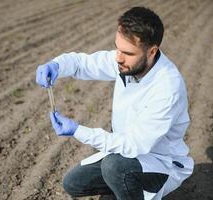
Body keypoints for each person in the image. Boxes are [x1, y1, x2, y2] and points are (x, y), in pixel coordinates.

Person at [36, 6, 194, 200]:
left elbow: (134, 145)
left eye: (127, 52)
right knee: (73, 183)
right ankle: (124, 189)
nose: (118, 57)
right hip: (124, 155)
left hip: (160, 161)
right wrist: (57, 65)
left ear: (152, 51)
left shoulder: (167, 88)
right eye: (117, 48)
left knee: (115, 168)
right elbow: (82, 64)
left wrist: (78, 130)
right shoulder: (126, 62)